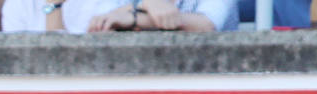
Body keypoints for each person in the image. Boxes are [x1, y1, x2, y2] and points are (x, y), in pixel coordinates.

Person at [87, 0, 237, 30]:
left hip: (205, 80)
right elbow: (99, 26)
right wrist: (144, 4)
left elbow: (207, 24)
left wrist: (134, 18)